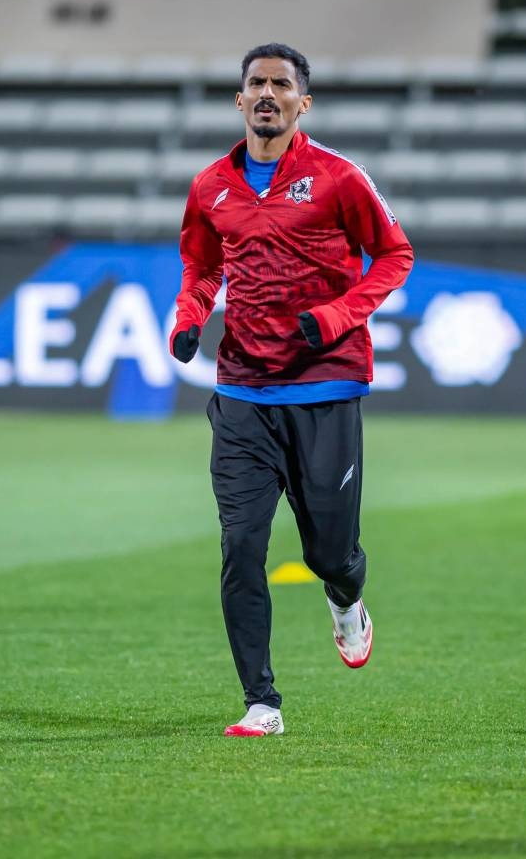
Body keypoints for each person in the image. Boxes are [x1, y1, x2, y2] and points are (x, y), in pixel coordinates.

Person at [169, 42, 414, 737]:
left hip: (324, 388)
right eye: (256, 83)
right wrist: (189, 318)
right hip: (243, 395)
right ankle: (262, 702)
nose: (267, 93)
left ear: (303, 102)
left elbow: (395, 254)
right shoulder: (210, 186)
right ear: (239, 99)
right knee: (241, 545)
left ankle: (346, 596)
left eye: (281, 84)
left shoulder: (338, 177)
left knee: (329, 554)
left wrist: (336, 317)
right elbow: (201, 267)